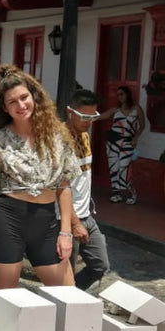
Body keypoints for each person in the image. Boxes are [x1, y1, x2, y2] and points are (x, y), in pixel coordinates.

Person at [0, 64, 80, 289]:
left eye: (24, 97)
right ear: (5, 107)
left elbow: (64, 185)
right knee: (7, 296)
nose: (21, 105)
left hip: (47, 220)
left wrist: (66, 231)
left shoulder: (58, 136)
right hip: (7, 217)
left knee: (68, 294)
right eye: (12, 102)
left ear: (34, 97)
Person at [65, 89, 110, 290]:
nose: (88, 122)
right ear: (70, 112)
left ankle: (75, 298)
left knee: (100, 265)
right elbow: (59, 186)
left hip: (86, 215)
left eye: (92, 117)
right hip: (65, 218)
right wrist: (74, 223)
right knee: (65, 272)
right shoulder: (59, 140)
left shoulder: (84, 136)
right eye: (83, 116)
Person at [98, 85, 146, 204]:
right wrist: (85, 116)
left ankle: (131, 192)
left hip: (128, 142)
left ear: (128, 94)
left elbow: (142, 125)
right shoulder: (115, 110)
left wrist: (136, 137)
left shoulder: (136, 109)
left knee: (124, 167)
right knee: (114, 167)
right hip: (113, 142)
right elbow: (100, 116)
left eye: (122, 94)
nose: (120, 97)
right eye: (118, 95)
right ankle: (116, 193)